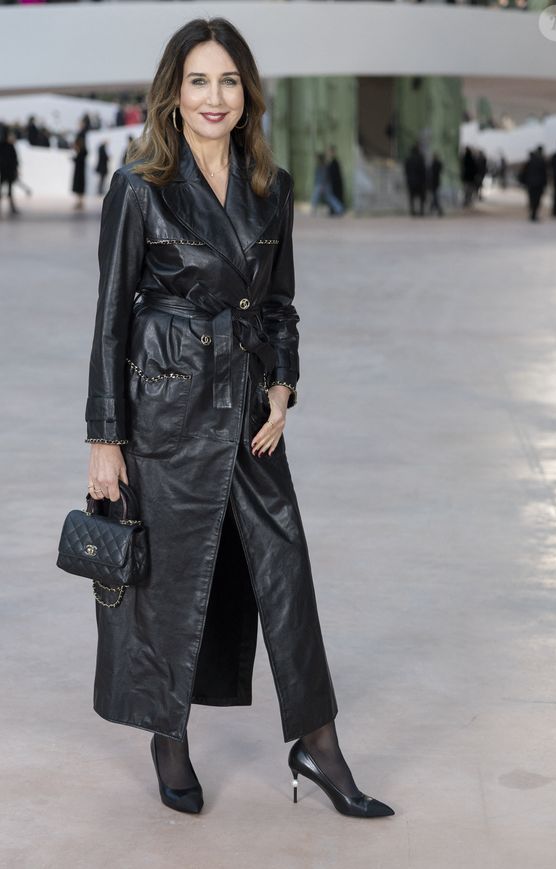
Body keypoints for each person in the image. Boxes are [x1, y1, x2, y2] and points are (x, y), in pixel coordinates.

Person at [84, 17, 394, 820]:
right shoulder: (138, 188)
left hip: (251, 415)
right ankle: (168, 731)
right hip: (165, 417)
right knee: (168, 579)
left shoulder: (272, 185)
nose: (214, 97)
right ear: (173, 95)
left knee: (286, 573)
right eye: (198, 81)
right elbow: (111, 321)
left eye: (228, 80)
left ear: (245, 92)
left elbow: (281, 305)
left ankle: (318, 744)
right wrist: (103, 441)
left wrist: (284, 388)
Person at [519, 146, 548, 222]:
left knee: (531, 198)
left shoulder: (529, 162)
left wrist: (523, 182)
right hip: (539, 184)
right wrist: (545, 183)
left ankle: (532, 212)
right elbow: (544, 174)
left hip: (531, 183)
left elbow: (524, 173)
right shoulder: (542, 161)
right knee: (537, 199)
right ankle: (534, 213)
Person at [0, 127, 19, 216]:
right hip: (4, 171)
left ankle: (12, 207)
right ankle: (12, 207)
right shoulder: (4, 146)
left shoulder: (9, 146)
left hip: (9, 171)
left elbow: (15, 160)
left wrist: (15, 169)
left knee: (10, 190)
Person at [404, 143, 426, 216]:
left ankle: (412, 211)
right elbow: (423, 170)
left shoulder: (408, 159)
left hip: (411, 181)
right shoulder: (420, 158)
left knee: (412, 197)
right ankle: (421, 211)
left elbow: (406, 170)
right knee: (421, 197)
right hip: (420, 181)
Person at [71, 130, 87, 210]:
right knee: (78, 188)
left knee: (79, 187)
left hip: (80, 173)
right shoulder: (81, 151)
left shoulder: (82, 152)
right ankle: (79, 202)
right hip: (79, 172)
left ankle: (80, 202)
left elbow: (79, 160)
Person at [326, 144, 344, 210]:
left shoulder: (335, 162)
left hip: (335, 183)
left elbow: (336, 174)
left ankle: (339, 209)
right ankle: (336, 209)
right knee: (331, 196)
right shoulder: (331, 161)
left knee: (332, 197)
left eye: (330, 151)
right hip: (332, 183)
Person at [427, 152, 444, 217]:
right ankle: (438, 210)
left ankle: (434, 209)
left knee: (435, 197)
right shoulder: (436, 164)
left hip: (434, 183)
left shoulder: (433, 164)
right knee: (435, 197)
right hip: (435, 183)